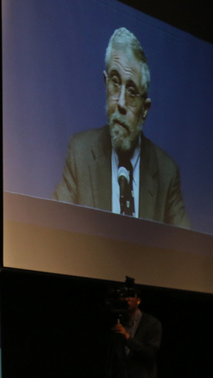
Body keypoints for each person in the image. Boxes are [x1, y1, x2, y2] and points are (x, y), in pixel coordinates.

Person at [52, 28, 190, 229]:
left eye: (132, 91)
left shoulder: (166, 172)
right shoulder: (80, 152)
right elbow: (53, 227)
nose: (121, 103)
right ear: (105, 84)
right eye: (115, 83)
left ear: (145, 110)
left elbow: (190, 248)